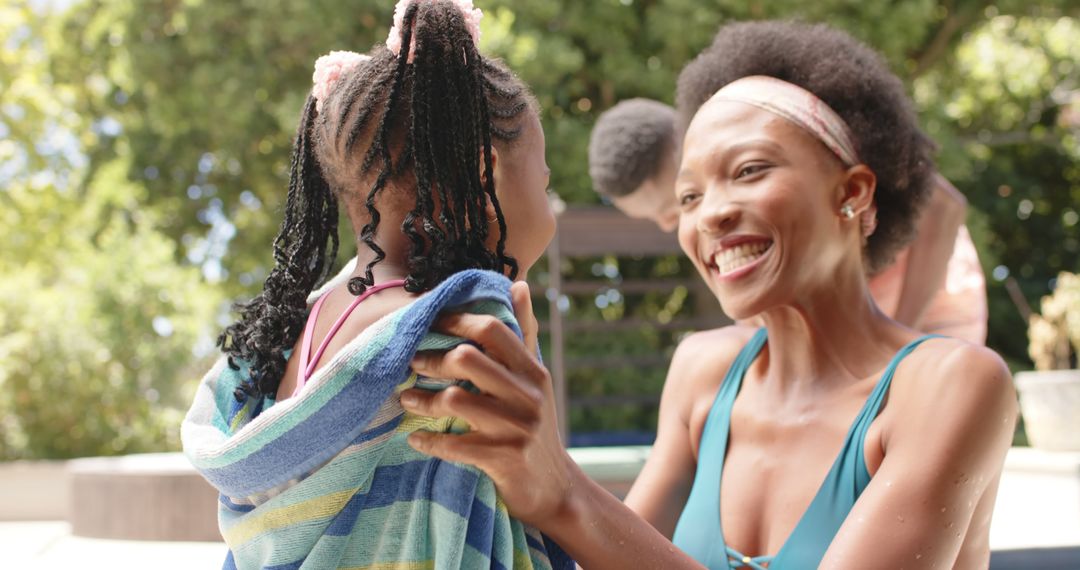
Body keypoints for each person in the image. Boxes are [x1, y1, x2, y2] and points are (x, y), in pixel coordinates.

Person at [401, 21, 1017, 569]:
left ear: (852, 192)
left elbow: (589, 519)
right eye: (690, 197)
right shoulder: (705, 370)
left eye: (749, 171)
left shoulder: (950, 386)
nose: (712, 215)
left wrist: (563, 488)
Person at [181, 1, 570, 568]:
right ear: (486, 175)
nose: (549, 199)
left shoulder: (304, 325)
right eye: (544, 176)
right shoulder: (456, 331)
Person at [588, 97, 988, 343]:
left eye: (675, 206)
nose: (669, 225)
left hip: (934, 316)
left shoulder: (781, 120)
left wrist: (897, 338)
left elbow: (943, 205)